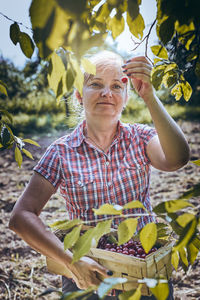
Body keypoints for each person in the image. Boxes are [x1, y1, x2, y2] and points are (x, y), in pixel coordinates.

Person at [9, 50, 190, 299]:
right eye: (95, 84)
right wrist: (71, 262)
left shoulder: (141, 138)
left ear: (126, 97)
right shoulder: (61, 152)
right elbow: (21, 216)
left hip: (143, 271)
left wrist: (150, 96)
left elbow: (177, 159)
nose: (107, 93)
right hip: (87, 276)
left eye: (116, 86)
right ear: (79, 95)